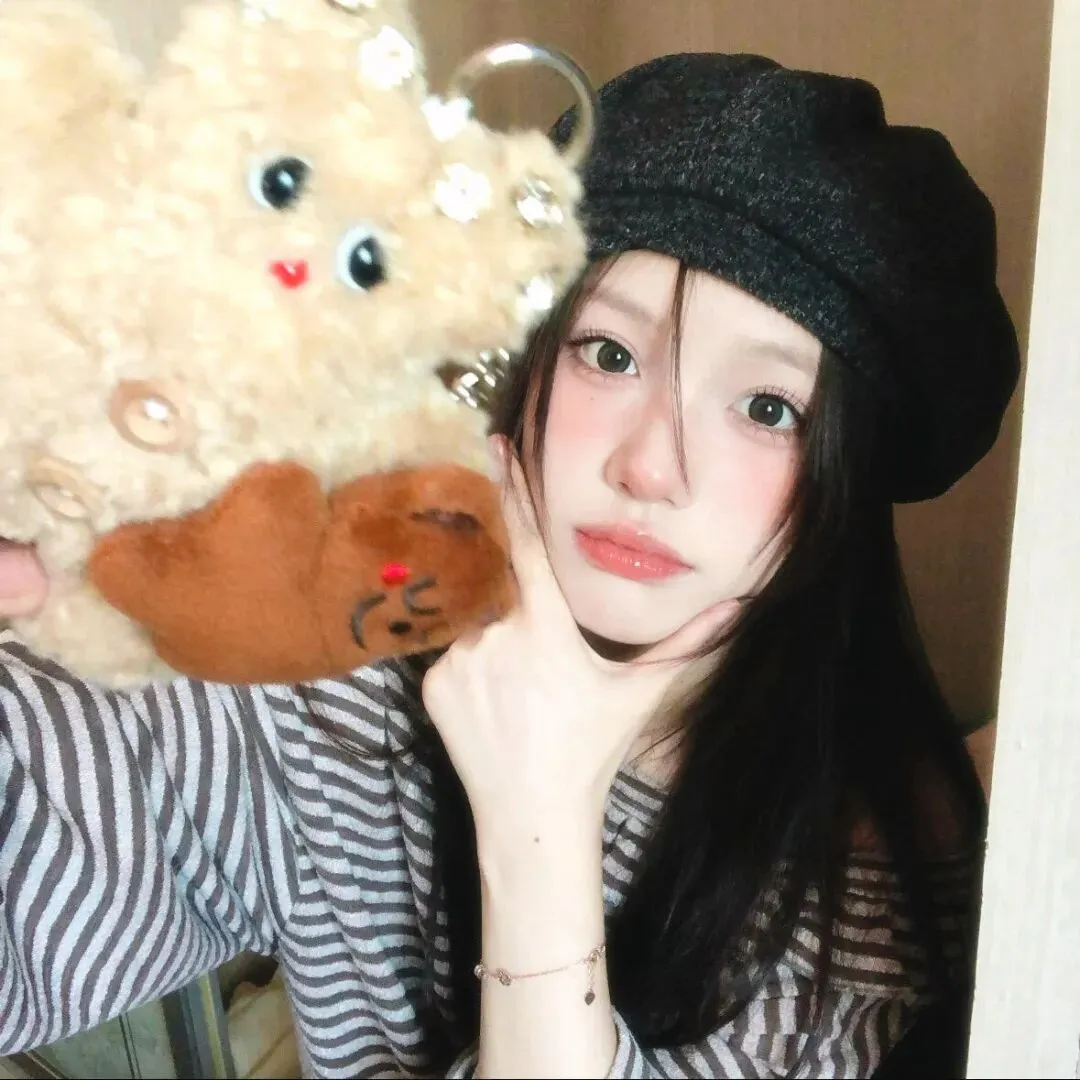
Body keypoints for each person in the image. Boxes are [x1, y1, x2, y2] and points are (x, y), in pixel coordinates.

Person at [0, 52, 1017, 1079]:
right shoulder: (350, 678)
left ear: (848, 486)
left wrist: (538, 820)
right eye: (609, 354)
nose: (650, 466)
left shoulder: (883, 900)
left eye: (767, 408)